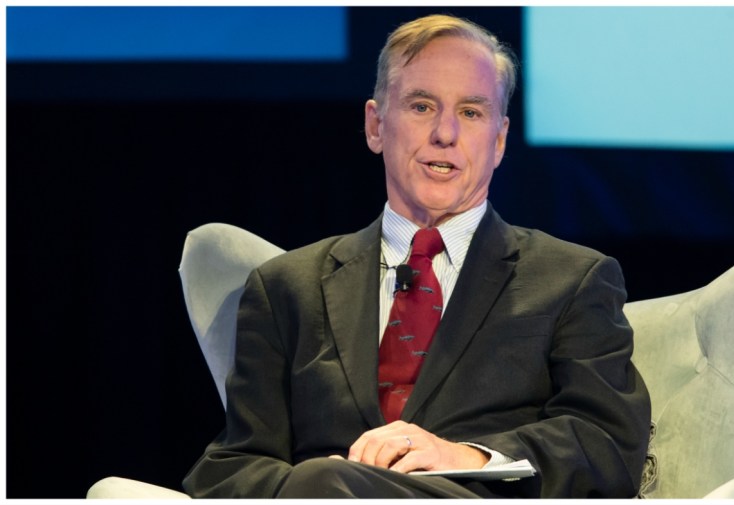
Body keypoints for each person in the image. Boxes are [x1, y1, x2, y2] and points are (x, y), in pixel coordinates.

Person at [183, 13, 650, 498]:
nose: (445, 133)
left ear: (500, 139)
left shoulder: (572, 279)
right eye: (422, 106)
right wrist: (326, 485)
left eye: (471, 112)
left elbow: (607, 443)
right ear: (375, 125)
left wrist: (465, 454)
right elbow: (232, 468)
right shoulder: (286, 288)